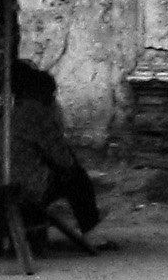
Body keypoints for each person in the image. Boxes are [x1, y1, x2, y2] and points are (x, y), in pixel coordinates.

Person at [6, 61, 103, 236]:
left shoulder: (6, 111)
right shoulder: (37, 113)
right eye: (49, 95)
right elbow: (62, 157)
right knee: (78, 179)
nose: (51, 100)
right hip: (23, 183)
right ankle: (91, 230)